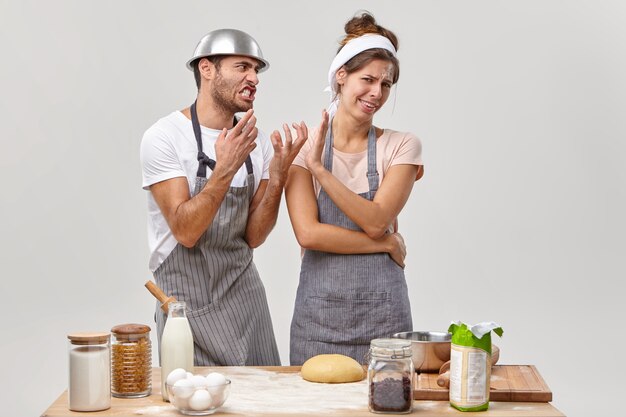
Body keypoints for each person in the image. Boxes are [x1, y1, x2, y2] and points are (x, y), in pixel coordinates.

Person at [140, 29, 307, 366]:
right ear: (207, 69)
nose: (253, 78)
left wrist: (277, 178)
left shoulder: (254, 141)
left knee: (266, 404)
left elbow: (254, 236)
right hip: (186, 308)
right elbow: (186, 232)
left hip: (246, 302)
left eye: (257, 70)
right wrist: (224, 169)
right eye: (242, 67)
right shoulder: (164, 137)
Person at [286, 13, 424, 365]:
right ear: (341, 77)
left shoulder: (402, 147)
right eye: (368, 79)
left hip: (385, 322)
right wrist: (386, 244)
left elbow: (377, 220)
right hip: (317, 324)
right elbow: (309, 234)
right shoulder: (302, 146)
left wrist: (321, 170)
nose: (377, 93)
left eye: (387, 84)